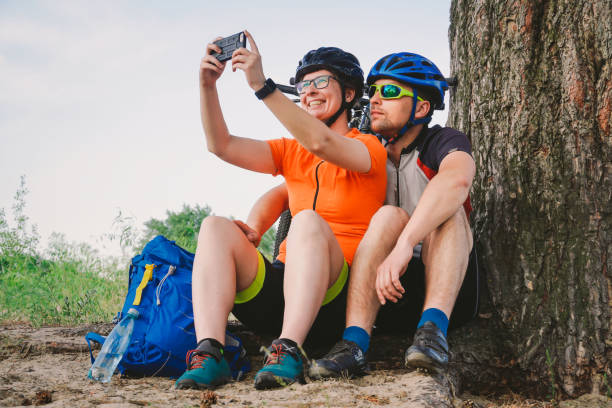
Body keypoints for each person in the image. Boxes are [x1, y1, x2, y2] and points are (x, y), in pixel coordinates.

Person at [174, 30, 387, 391]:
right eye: (303, 85)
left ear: (350, 94)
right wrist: (208, 85)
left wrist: (262, 86)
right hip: (282, 289)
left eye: (321, 81)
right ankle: (210, 353)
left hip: (332, 296)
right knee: (214, 227)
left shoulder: (369, 149)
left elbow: (321, 142)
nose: (309, 90)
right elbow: (220, 145)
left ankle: (289, 350)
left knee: (304, 222)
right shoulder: (291, 152)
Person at [245, 52, 479, 379]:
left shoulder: (442, 141)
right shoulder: (367, 147)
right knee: (386, 217)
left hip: (438, 278)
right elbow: (287, 192)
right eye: (376, 92)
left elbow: (457, 180)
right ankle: (354, 345)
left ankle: (432, 331)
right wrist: (254, 226)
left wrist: (405, 244)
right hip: (377, 286)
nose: (377, 100)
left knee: (450, 214)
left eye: (392, 92)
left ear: (422, 108)